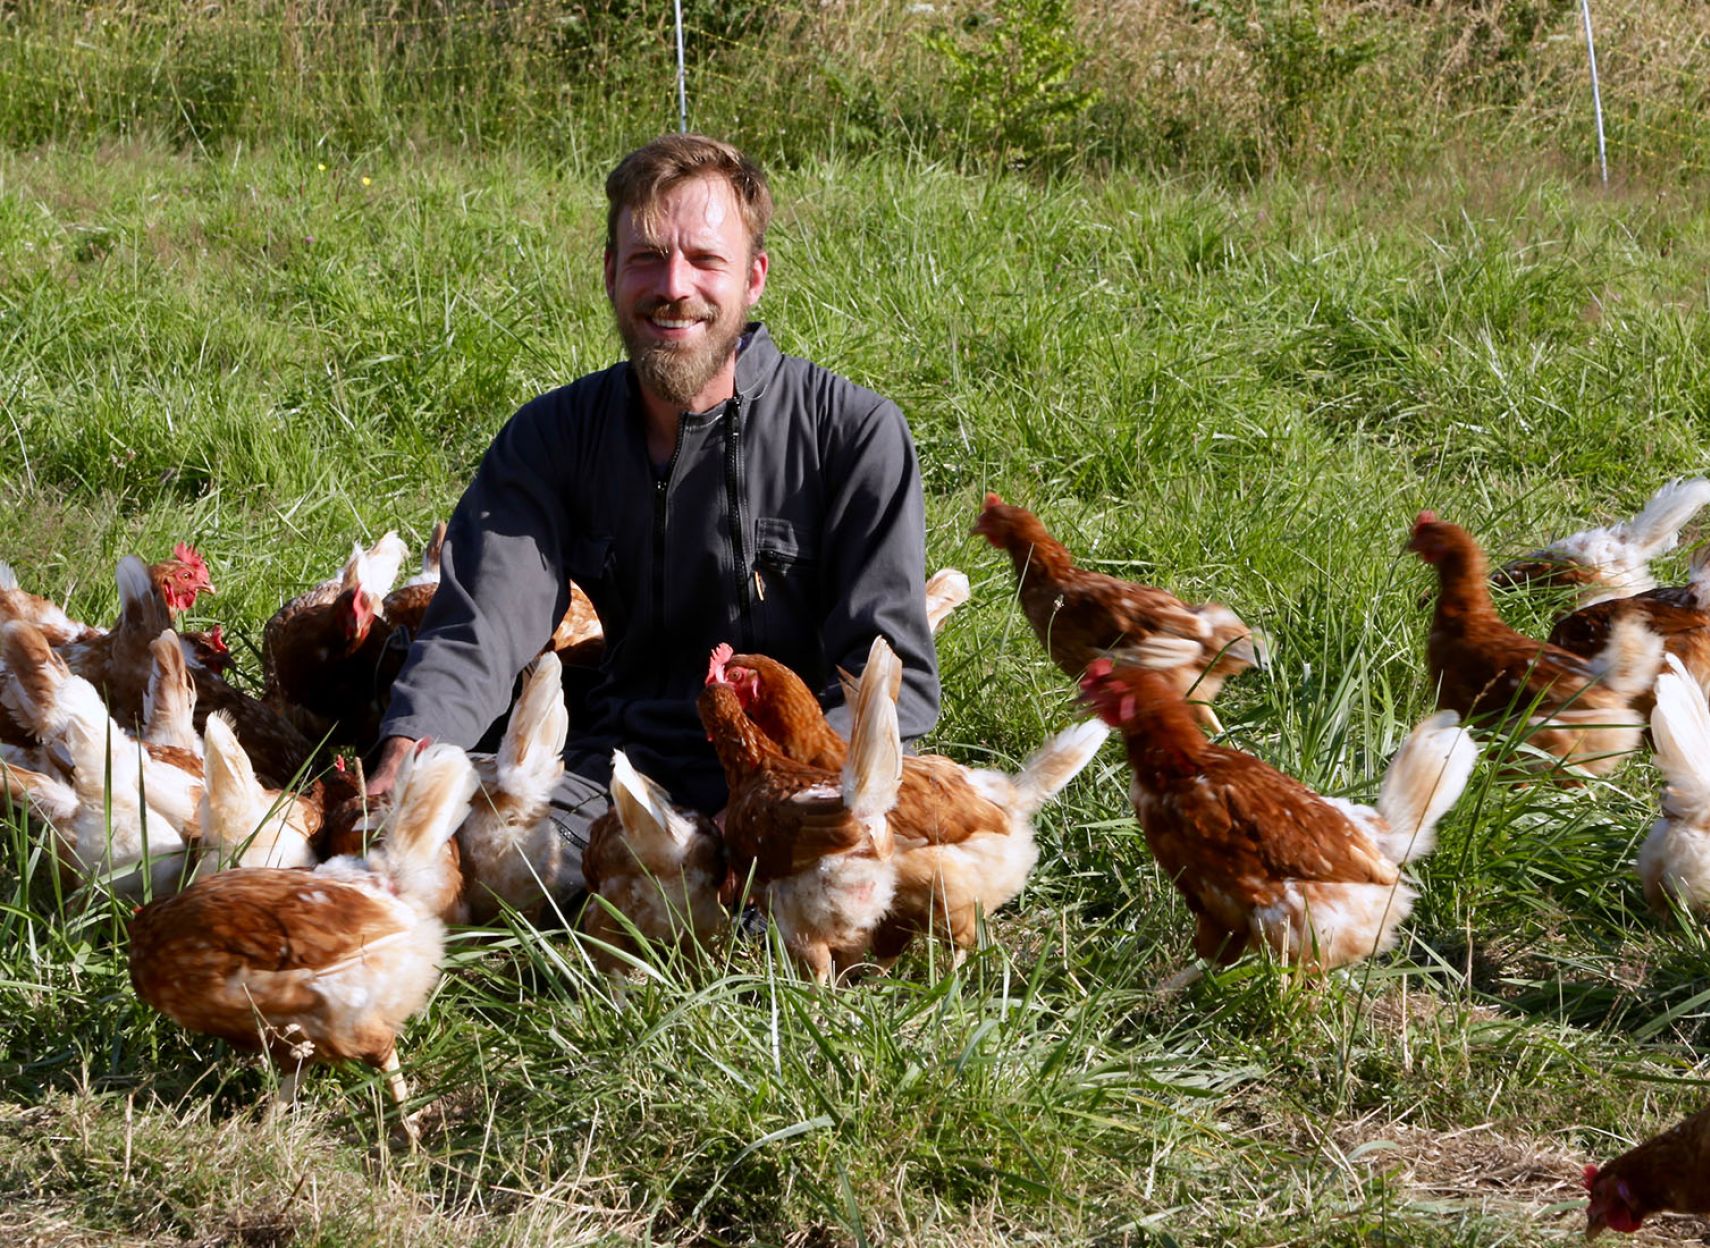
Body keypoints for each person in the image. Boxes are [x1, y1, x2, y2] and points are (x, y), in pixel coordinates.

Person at [365, 133, 940, 864]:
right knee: (489, 871)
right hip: (609, 772)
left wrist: (786, 799)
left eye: (705, 260)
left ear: (754, 277)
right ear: (610, 274)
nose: (674, 286)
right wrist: (410, 749)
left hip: (788, 792)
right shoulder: (551, 436)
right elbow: (479, 622)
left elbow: (890, 679)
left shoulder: (853, 434)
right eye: (646, 259)